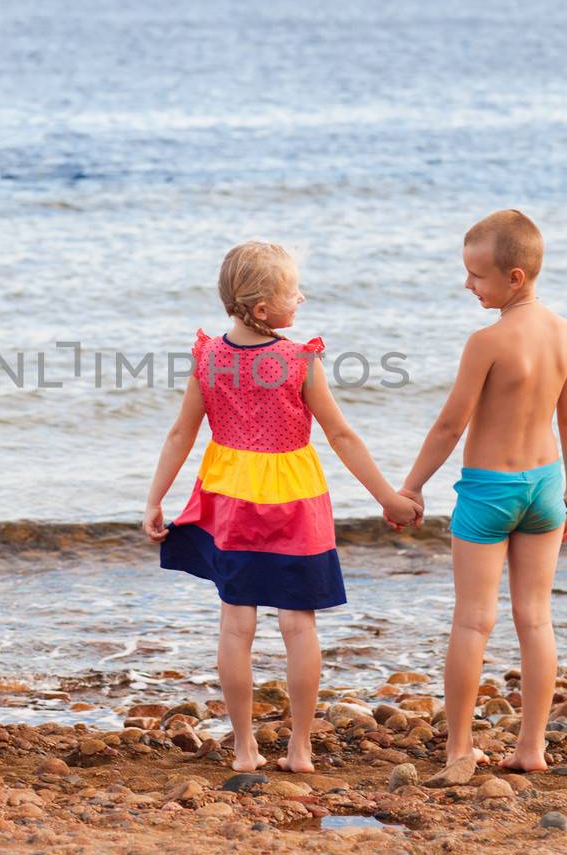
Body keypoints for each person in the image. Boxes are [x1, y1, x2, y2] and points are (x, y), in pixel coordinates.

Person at [143, 240, 419, 774]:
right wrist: (389, 497)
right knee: (298, 623)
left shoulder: (209, 355)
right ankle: (299, 747)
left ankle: (245, 747)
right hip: (293, 497)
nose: (302, 298)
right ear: (266, 309)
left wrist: (156, 498)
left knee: (235, 624)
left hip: (231, 497)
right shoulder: (298, 361)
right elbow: (340, 434)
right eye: (295, 292)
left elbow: (182, 432)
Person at [398, 209, 567, 780]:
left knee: (472, 622)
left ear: (515, 277)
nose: (467, 284)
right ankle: (531, 747)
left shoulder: (487, 341)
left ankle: (459, 748)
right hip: (546, 485)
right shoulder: (564, 332)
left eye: (477, 276)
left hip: (488, 492)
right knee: (536, 619)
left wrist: (411, 486)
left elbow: (450, 425)